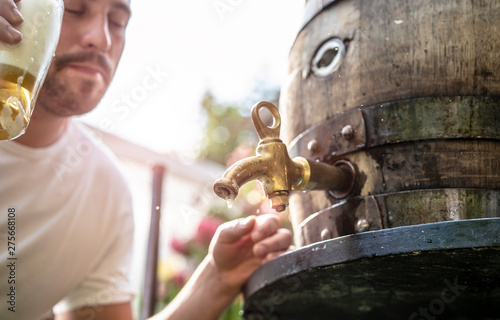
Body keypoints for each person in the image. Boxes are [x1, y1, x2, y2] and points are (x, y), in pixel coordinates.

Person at [0, 0, 293, 319]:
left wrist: (217, 280)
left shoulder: (105, 189)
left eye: (116, 21)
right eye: (73, 10)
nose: (101, 38)